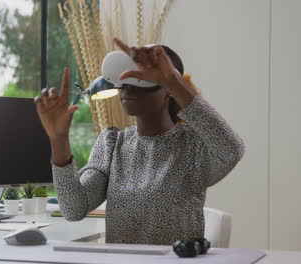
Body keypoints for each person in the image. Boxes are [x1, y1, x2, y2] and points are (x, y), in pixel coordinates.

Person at [34, 38, 245, 245]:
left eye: (143, 80)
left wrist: (173, 81)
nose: (128, 87)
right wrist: (58, 139)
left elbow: (231, 149)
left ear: (169, 91)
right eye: (124, 79)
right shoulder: (112, 143)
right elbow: (73, 208)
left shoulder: (191, 145)